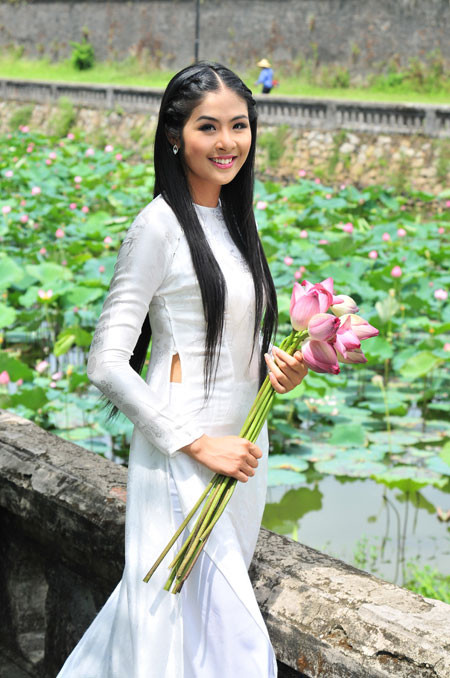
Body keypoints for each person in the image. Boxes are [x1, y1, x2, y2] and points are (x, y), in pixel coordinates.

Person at [56, 61, 307, 678]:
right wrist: (197, 444)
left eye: (239, 126)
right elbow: (106, 362)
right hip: (183, 456)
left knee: (195, 635)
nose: (228, 142)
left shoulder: (235, 220)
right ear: (175, 134)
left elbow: (232, 339)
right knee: (204, 638)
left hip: (240, 455)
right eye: (208, 127)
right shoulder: (158, 226)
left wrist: (277, 368)